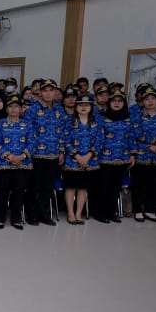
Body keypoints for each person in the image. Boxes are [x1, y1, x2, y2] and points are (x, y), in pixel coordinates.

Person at [0, 95, 34, 229]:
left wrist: (21, 157)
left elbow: (32, 142)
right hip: (3, 164)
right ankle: (0, 218)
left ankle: (16, 219)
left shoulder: (27, 124)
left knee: (19, 192)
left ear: (21, 109)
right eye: (10, 106)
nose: (13, 109)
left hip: (22, 164)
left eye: (16, 106)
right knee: (1, 193)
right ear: (6, 109)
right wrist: (9, 156)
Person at [24, 79, 63, 226]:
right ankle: (31, 214)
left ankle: (45, 214)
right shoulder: (32, 110)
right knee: (34, 186)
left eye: (51, 90)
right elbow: (27, 132)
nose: (48, 93)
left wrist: (61, 151)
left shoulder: (59, 110)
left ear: (55, 92)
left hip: (53, 155)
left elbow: (63, 133)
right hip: (36, 155)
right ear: (40, 92)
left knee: (47, 187)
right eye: (45, 90)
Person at [91, 89, 133, 223]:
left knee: (116, 187)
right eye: (114, 100)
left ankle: (112, 212)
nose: (116, 103)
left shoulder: (128, 118)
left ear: (124, 103)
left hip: (122, 158)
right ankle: (100, 213)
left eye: (120, 101)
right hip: (105, 158)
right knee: (103, 187)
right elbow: (97, 137)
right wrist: (96, 153)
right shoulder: (101, 117)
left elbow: (131, 138)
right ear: (109, 102)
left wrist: (133, 154)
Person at [61, 94, 102, 224]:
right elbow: (65, 140)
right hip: (72, 160)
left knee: (83, 188)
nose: (83, 107)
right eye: (80, 105)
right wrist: (77, 156)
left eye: (87, 105)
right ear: (76, 106)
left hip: (90, 160)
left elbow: (100, 140)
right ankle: (70, 213)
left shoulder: (97, 122)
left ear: (91, 107)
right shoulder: (68, 121)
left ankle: (79, 213)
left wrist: (89, 155)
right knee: (71, 187)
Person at [130, 86, 156, 222]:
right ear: (142, 101)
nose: (150, 101)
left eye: (153, 98)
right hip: (141, 154)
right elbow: (133, 134)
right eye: (147, 99)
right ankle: (137, 210)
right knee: (138, 184)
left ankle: (150, 210)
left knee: (154, 185)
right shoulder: (137, 116)